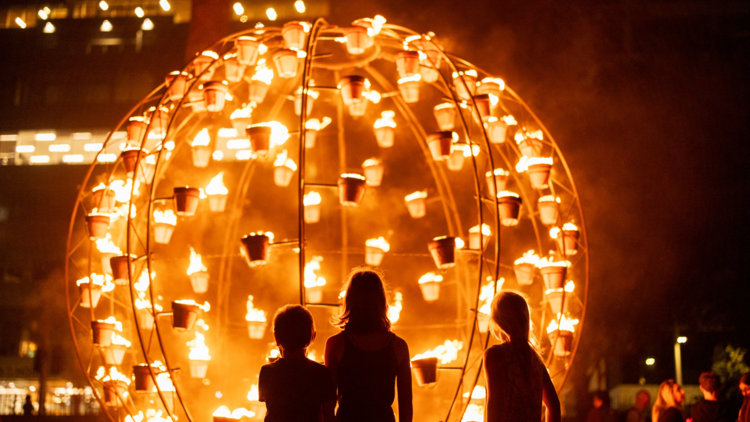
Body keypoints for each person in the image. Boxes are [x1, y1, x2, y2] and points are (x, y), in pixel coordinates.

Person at [325, 267, 412, 422]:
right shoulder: (398, 346)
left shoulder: (336, 344)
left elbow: (328, 402)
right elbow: (406, 406)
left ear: (349, 301)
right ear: (381, 301)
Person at [483, 291, 561, 422]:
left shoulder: (495, 355)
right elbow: (554, 405)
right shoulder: (535, 360)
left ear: (498, 321)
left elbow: (496, 405)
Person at [258, 305, 336, 422]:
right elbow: (329, 415)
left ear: (276, 338)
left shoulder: (267, 371)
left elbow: (269, 406)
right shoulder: (322, 373)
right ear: (312, 337)